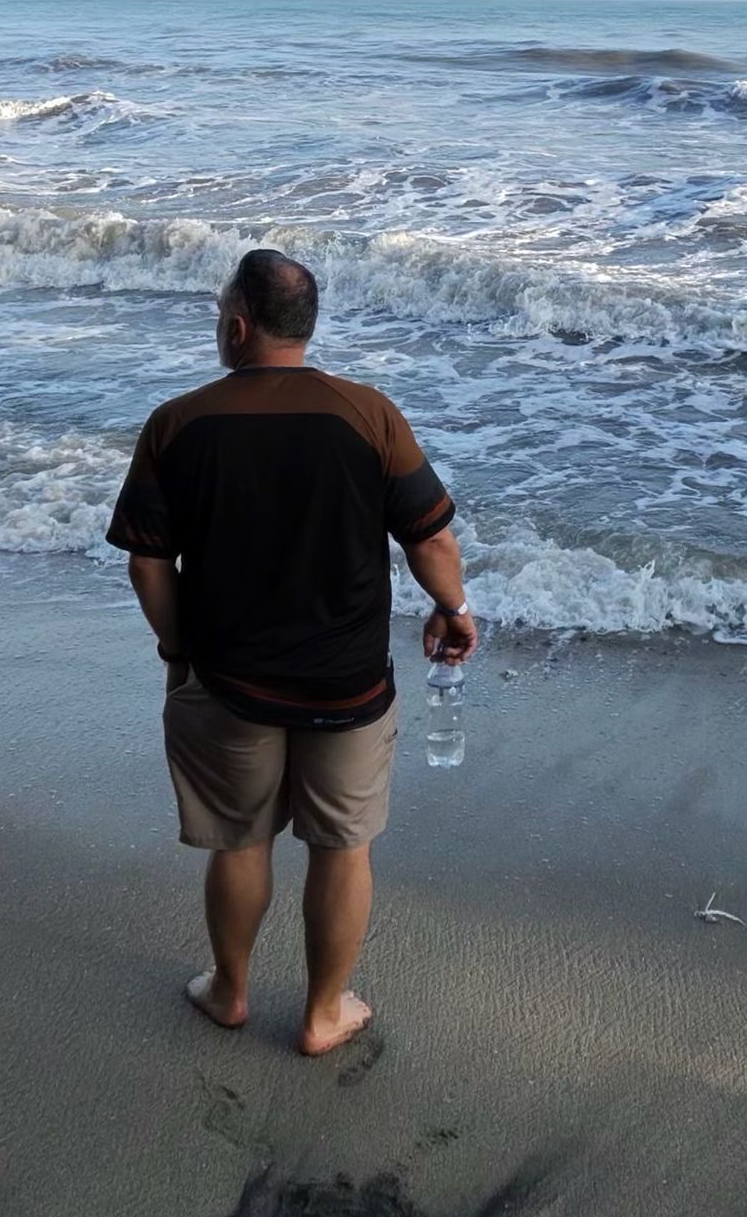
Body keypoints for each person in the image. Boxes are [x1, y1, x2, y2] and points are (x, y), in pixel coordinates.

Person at [106, 247, 477, 1055]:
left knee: (241, 839)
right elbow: (431, 537)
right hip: (347, 685)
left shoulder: (181, 421)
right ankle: (322, 1012)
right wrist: (451, 609)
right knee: (343, 847)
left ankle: (230, 992)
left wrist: (178, 647)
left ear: (238, 329)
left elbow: (146, 560)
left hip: (228, 677)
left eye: (218, 318)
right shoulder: (367, 414)